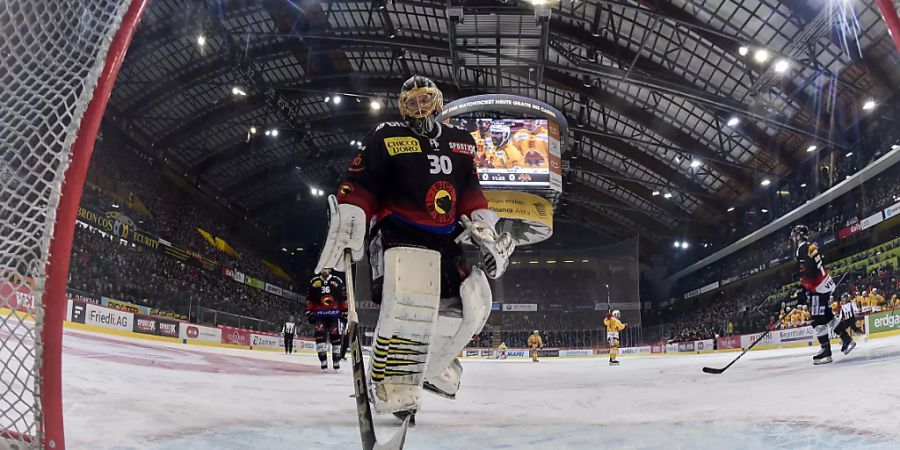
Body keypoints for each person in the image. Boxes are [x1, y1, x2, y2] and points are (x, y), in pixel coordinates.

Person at [315, 75, 515, 419]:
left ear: (437, 102)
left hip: (447, 238)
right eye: (412, 102)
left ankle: (431, 367)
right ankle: (395, 383)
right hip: (398, 232)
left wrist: (484, 227)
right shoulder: (386, 136)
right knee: (410, 308)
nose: (420, 107)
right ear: (402, 107)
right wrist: (351, 211)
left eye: (425, 99)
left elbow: (470, 192)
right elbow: (360, 182)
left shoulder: (460, 141)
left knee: (471, 303)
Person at [791, 225, 854, 365]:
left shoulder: (801, 249)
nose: (794, 238)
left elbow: (808, 270)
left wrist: (804, 288)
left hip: (817, 287)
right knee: (827, 315)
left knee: (817, 319)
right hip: (825, 284)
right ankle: (846, 339)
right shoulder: (812, 246)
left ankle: (826, 351)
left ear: (798, 235)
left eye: (795, 235)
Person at [306, 268, 347, 371]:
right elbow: (310, 299)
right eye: (323, 267)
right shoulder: (314, 282)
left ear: (330, 269)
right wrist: (309, 312)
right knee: (320, 337)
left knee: (336, 337)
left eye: (327, 268)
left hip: (334, 316)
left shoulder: (337, 281)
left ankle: (336, 360)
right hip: (320, 315)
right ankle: (323, 360)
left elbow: (342, 298)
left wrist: (344, 312)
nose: (324, 270)